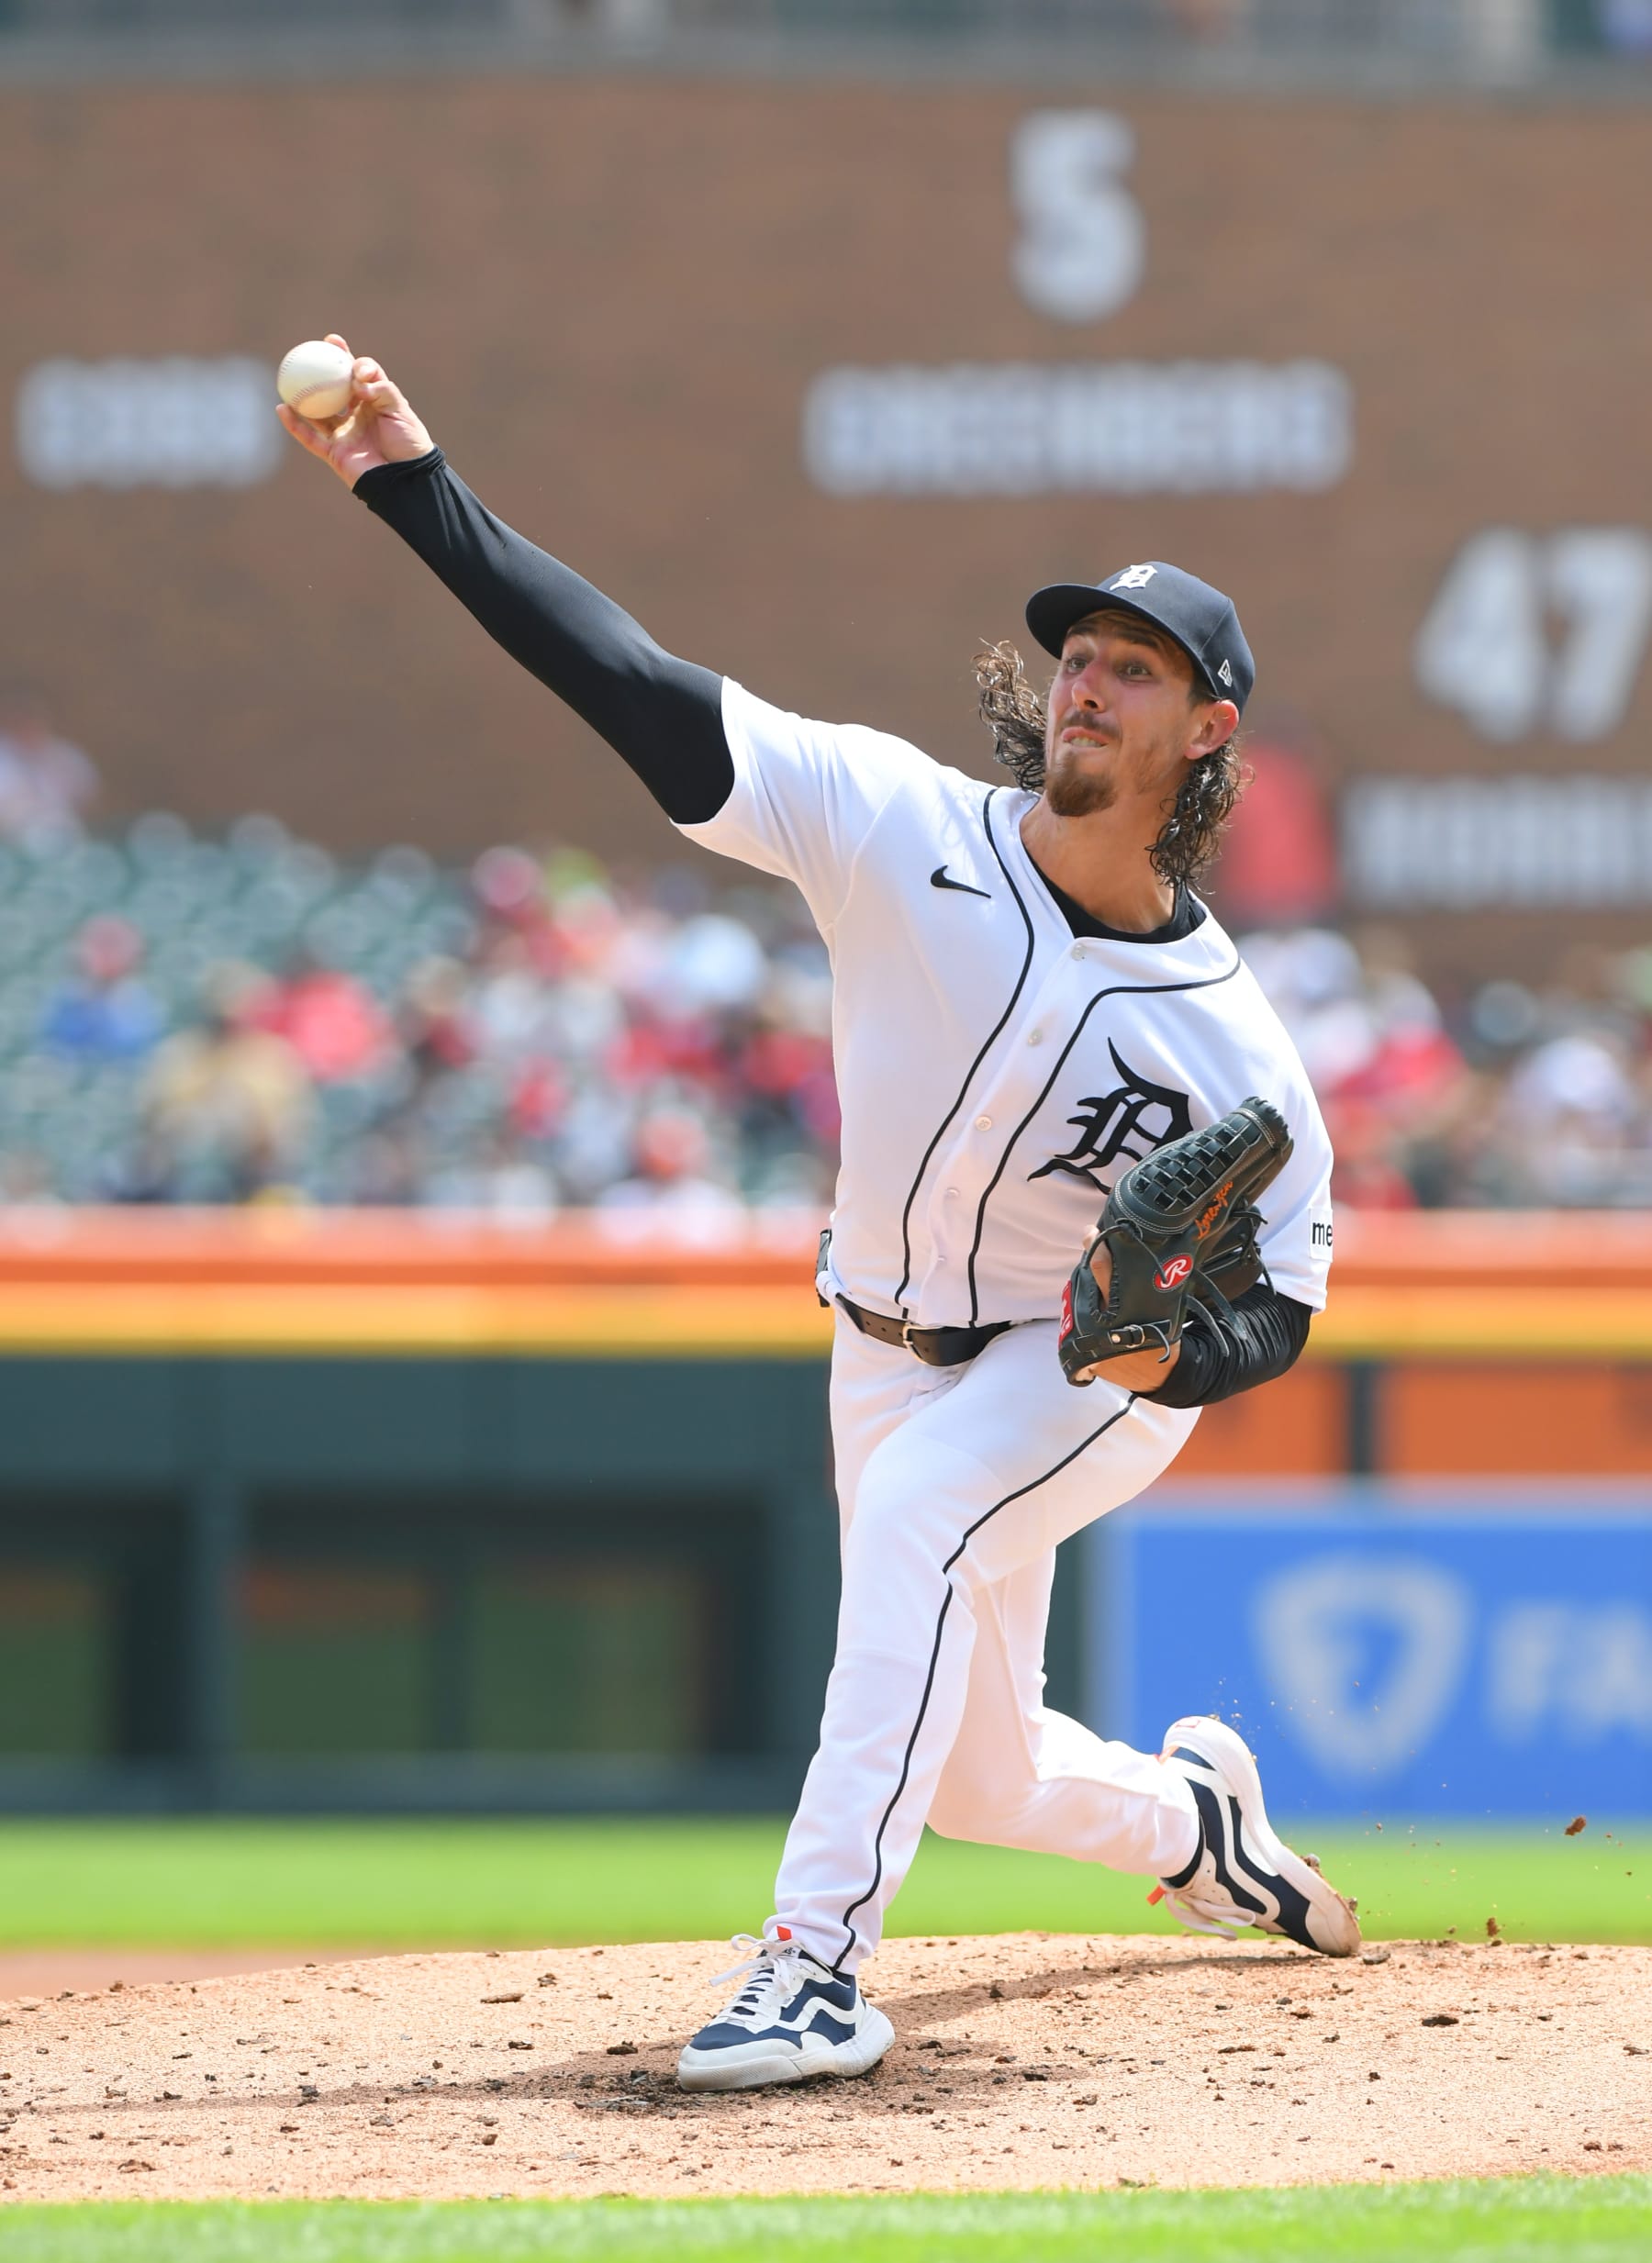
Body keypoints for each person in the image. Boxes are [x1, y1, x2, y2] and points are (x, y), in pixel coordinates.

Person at [279, 338, 1358, 2097]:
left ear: (1207, 727)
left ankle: (813, 1964)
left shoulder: (1231, 1040)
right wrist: (412, 480)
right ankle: (1196, 1820)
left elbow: (1287, 1302)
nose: (1089, 682)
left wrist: (1173, 1350)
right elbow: (623, 677)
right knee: (985, 1774)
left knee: (933, 1506)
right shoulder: (892, 822)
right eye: (1081, 652)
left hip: (1067, 1367)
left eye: (1137, 668)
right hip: (875, 1340)